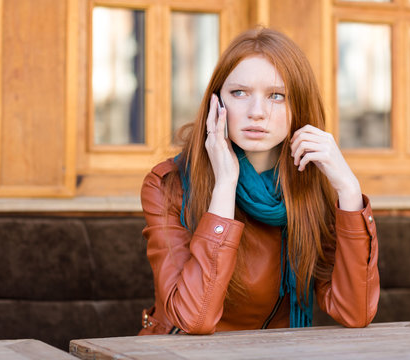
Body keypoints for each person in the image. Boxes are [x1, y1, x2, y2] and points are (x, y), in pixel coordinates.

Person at [139, 27, 379, 335]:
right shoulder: (168, 185)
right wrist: (224, 185)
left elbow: (355, 311)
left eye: (276, 96)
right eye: (239, 93)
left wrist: (349, 189)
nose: (257, 112)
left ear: (299, 108)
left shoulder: (312, 184)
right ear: (216, 103)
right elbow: (194, 319)